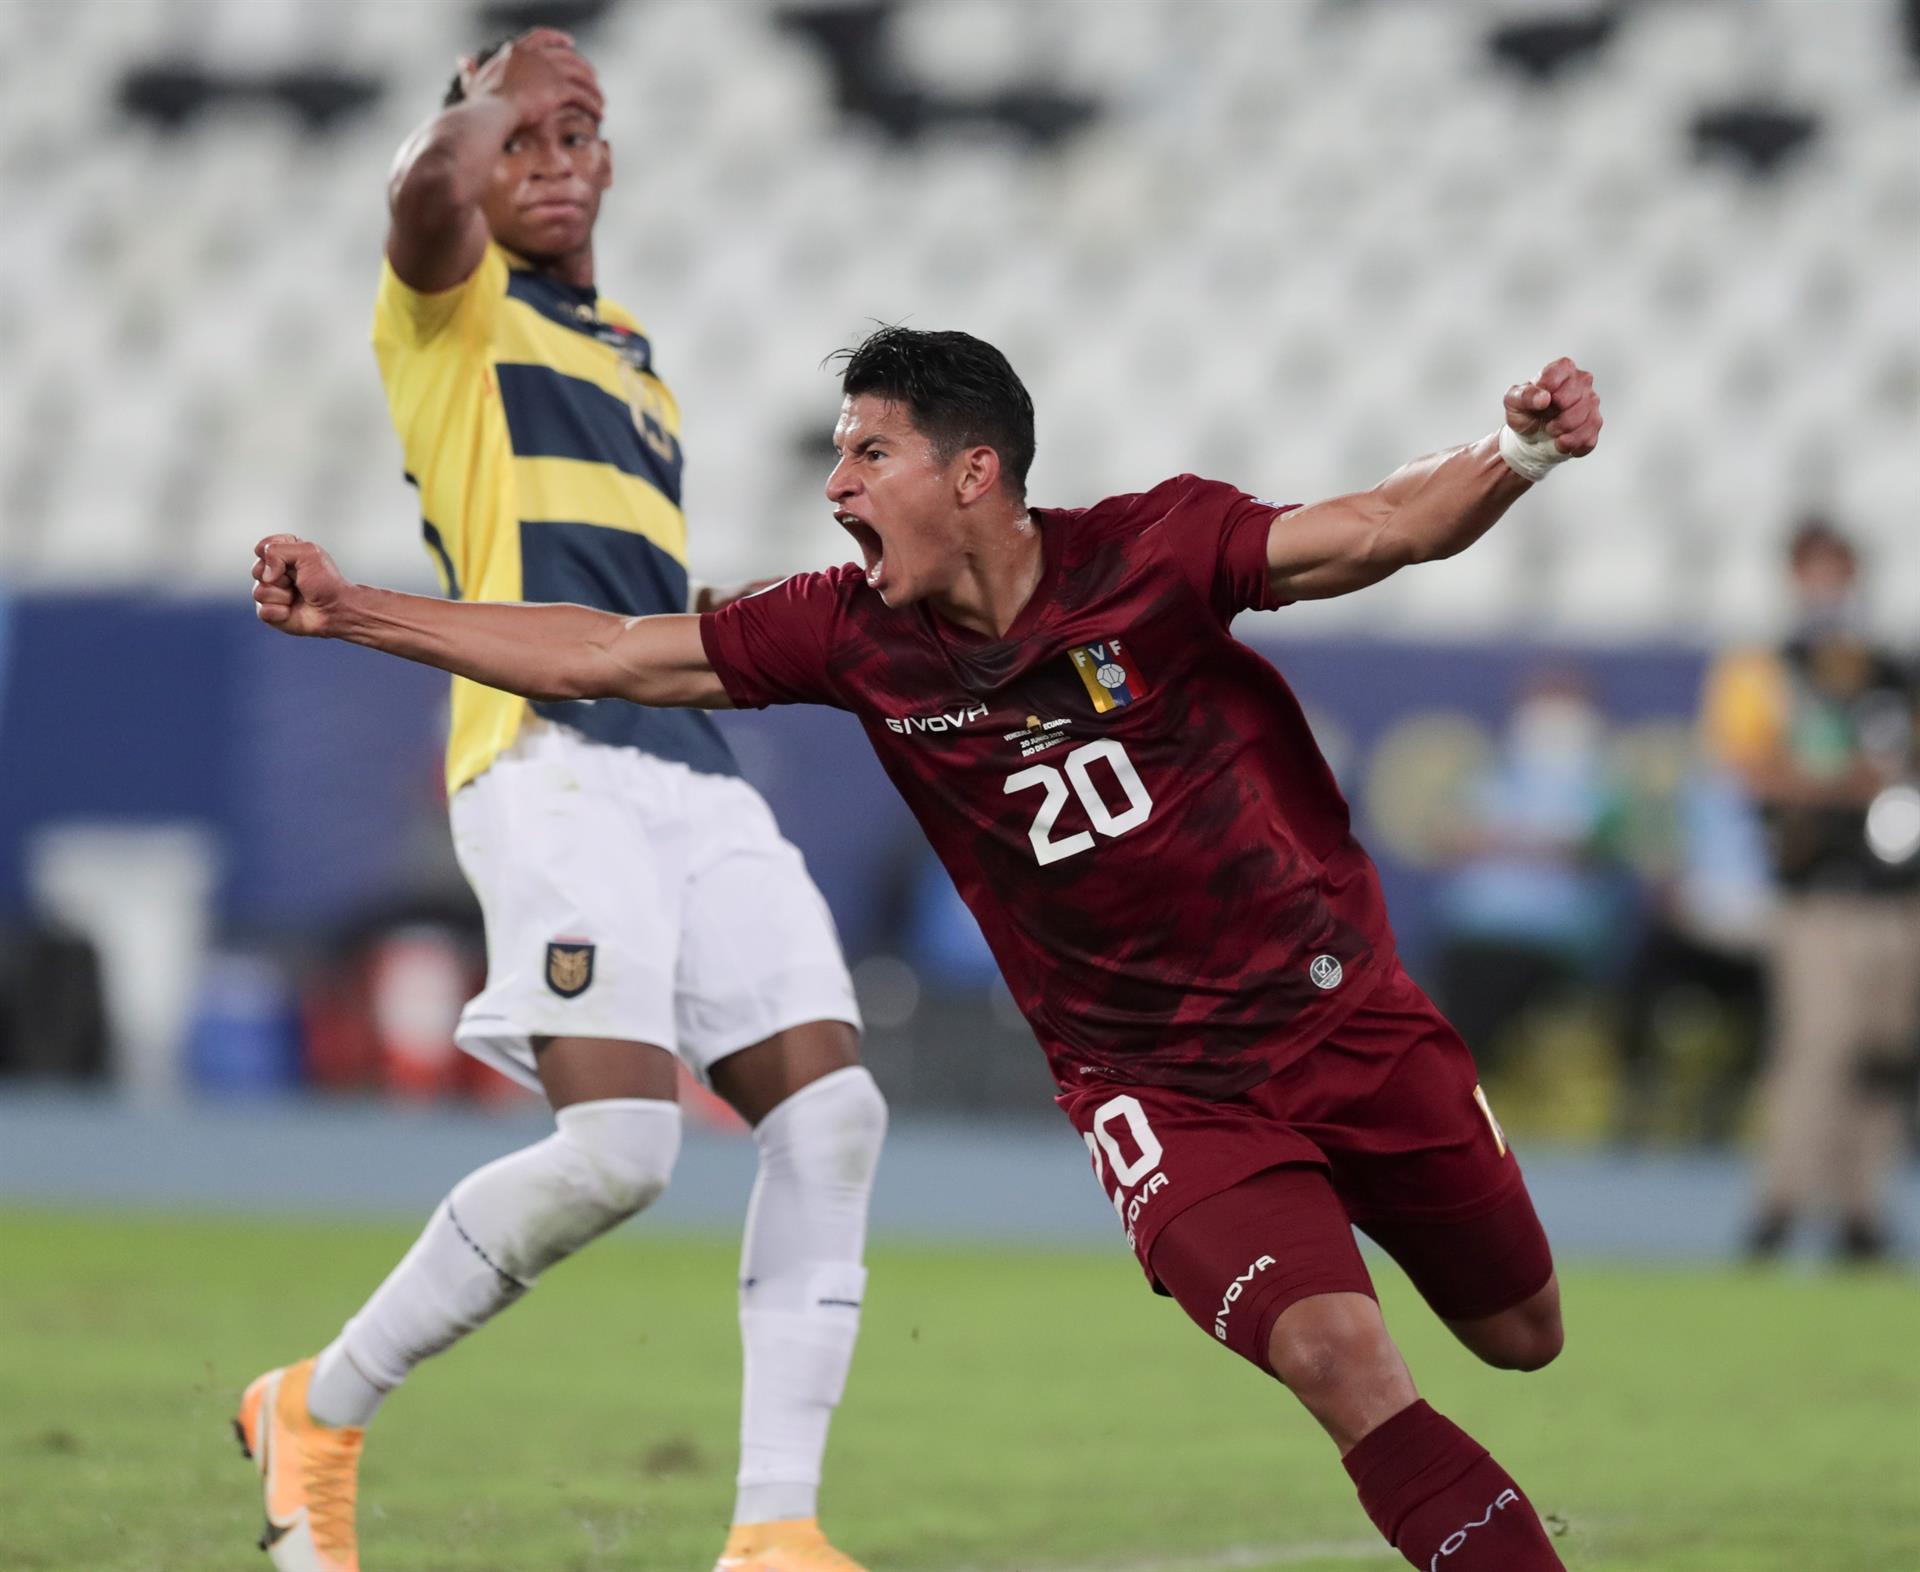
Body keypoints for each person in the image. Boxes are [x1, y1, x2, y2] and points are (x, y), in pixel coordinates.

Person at [252, 327, 1604, 1572]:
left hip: (1344, 1019)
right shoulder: (850, 631)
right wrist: (355, 609)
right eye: (838, 453)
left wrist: (1522, 450)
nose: (836, 485)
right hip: (1159, 1091)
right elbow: (607, 651)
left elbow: (1379, 527)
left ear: (975, 473)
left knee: (1521, 1336)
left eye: (868, 451)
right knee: (1334, 1352)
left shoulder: (1154, 553)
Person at [234, 32, 882, 1572]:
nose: (552, 158)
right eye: (521, 138)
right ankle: (318, 1406)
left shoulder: (638, 353)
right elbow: (419, 196)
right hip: (549, 761)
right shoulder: (449, 311)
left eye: (577, 131)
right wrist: (484, 99)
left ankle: (774, 1531)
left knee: (835, 1113)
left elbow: (623, 582)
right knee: (621, 1152)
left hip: (691, 766)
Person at [1703, 517, 1920, 1262]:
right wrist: (1842, 787)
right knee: (1818, 1044)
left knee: (1883, 1051)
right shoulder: (1766, 668)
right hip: (1815, 887)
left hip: (1896, 888)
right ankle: (1782, 1203)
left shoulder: (1890, 668)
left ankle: (1863, 1208)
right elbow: (1747, 767)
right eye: (1814, 572)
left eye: (1838, 571)